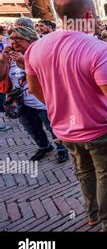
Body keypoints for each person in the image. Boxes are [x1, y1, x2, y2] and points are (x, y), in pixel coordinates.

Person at [25, 0, 107, 232]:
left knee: (85, 173)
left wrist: (63, 106)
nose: (98, 20)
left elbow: (34, 89)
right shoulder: (100, 50)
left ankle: (93, 215)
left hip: (66, 131)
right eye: (96, 15)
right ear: (87, 15)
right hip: (101, 130)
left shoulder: (35, 48)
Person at [0, 26, 69, 163]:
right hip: (21, 102)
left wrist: (25, 61)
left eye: (18, 38)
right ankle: (44, 146)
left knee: (53, 127)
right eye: (12, 39)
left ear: (30, 39)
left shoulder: (41, 53)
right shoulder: (9, 56)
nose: (14, 42)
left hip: (43, 100)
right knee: (32, 128)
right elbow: (1, 76)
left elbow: (48, 75)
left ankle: (62, 148)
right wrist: (2, 61)